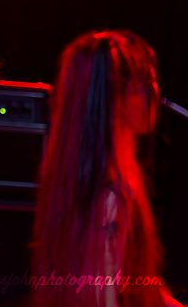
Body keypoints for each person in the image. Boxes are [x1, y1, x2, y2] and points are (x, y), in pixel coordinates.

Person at [32, 30, 179, 307]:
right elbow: (101, 296)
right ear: (126, 94)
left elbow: (136, 283)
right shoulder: (110, 194)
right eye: (149, 80)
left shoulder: (78, 180)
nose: (157, 92)